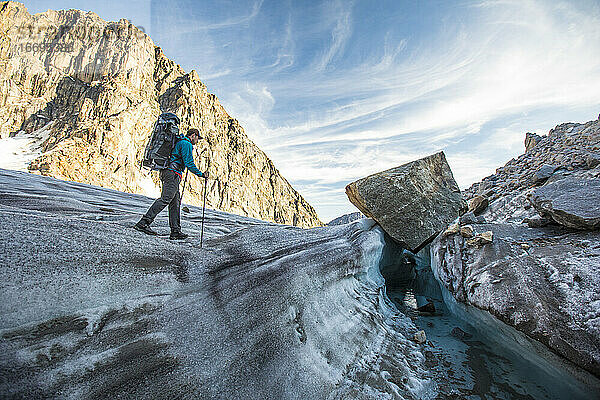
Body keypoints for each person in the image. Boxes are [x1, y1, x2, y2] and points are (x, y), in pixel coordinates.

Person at [134, 128, 208, 239]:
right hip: (172, 173)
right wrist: (201, 174)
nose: (197, 141)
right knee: (166, 198)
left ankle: (175, 231)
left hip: (170, 173)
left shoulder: (180, 142)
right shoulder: (186, 144)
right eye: (197, 138)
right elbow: (189, 163)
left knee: (175, 202)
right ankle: (143, 223)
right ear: (193, 135)